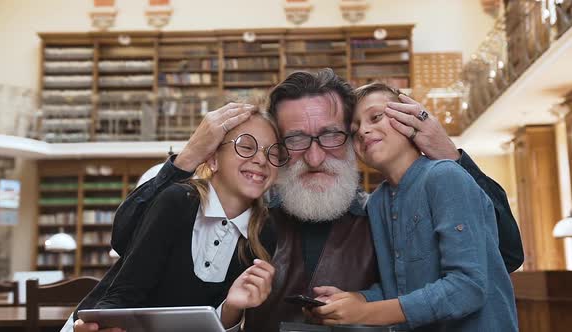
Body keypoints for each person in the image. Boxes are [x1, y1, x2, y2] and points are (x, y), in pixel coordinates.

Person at [86, 69, 522, 332]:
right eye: (296, 139)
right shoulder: (244, 217)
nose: (314, 157)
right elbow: (129, 239)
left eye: (331, 135)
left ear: (352, 138)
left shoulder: (384, 212)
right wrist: (187, 159)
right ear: (277, 144)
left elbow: (504, 253)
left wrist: (449, 155)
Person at [309, 83, 518, 331]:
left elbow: (467, 288)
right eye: (354, 132)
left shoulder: (445, 176)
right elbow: (400, 289)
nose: (364, 131)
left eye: (376, 117)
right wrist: (356, 299)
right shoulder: (377, 203)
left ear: (408, 118)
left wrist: (365, 312)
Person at [72, 109, 288, 332]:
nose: (262, 159)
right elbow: (125, 291)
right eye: (246, 146)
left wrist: (232, 307)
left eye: (273, 153)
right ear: (213, 159)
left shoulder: (266, 231)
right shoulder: (177, 200)